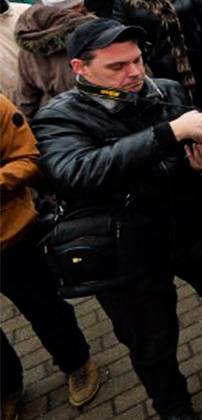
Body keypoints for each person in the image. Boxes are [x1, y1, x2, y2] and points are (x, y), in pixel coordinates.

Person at [33, 18, 202, 420]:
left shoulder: (165, 90)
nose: (135, 73)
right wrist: (167, 133)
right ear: (79, 68)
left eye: (137, 60)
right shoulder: (59, 117)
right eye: (117, 67)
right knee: (151, 341)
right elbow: (78, 172)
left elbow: (193, 153)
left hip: (190, 224)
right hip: (125, 248)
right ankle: (172, 405)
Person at [1, 95, 102, 420]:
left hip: (11, 238)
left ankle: (77, 363)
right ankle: (6, 387)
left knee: (44, 308)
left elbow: (29, 157)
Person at [14, 0, 95, 117]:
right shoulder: (98, 33)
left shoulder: (30, 40)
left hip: (56, 118)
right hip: (98, 115)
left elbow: (26, 97)